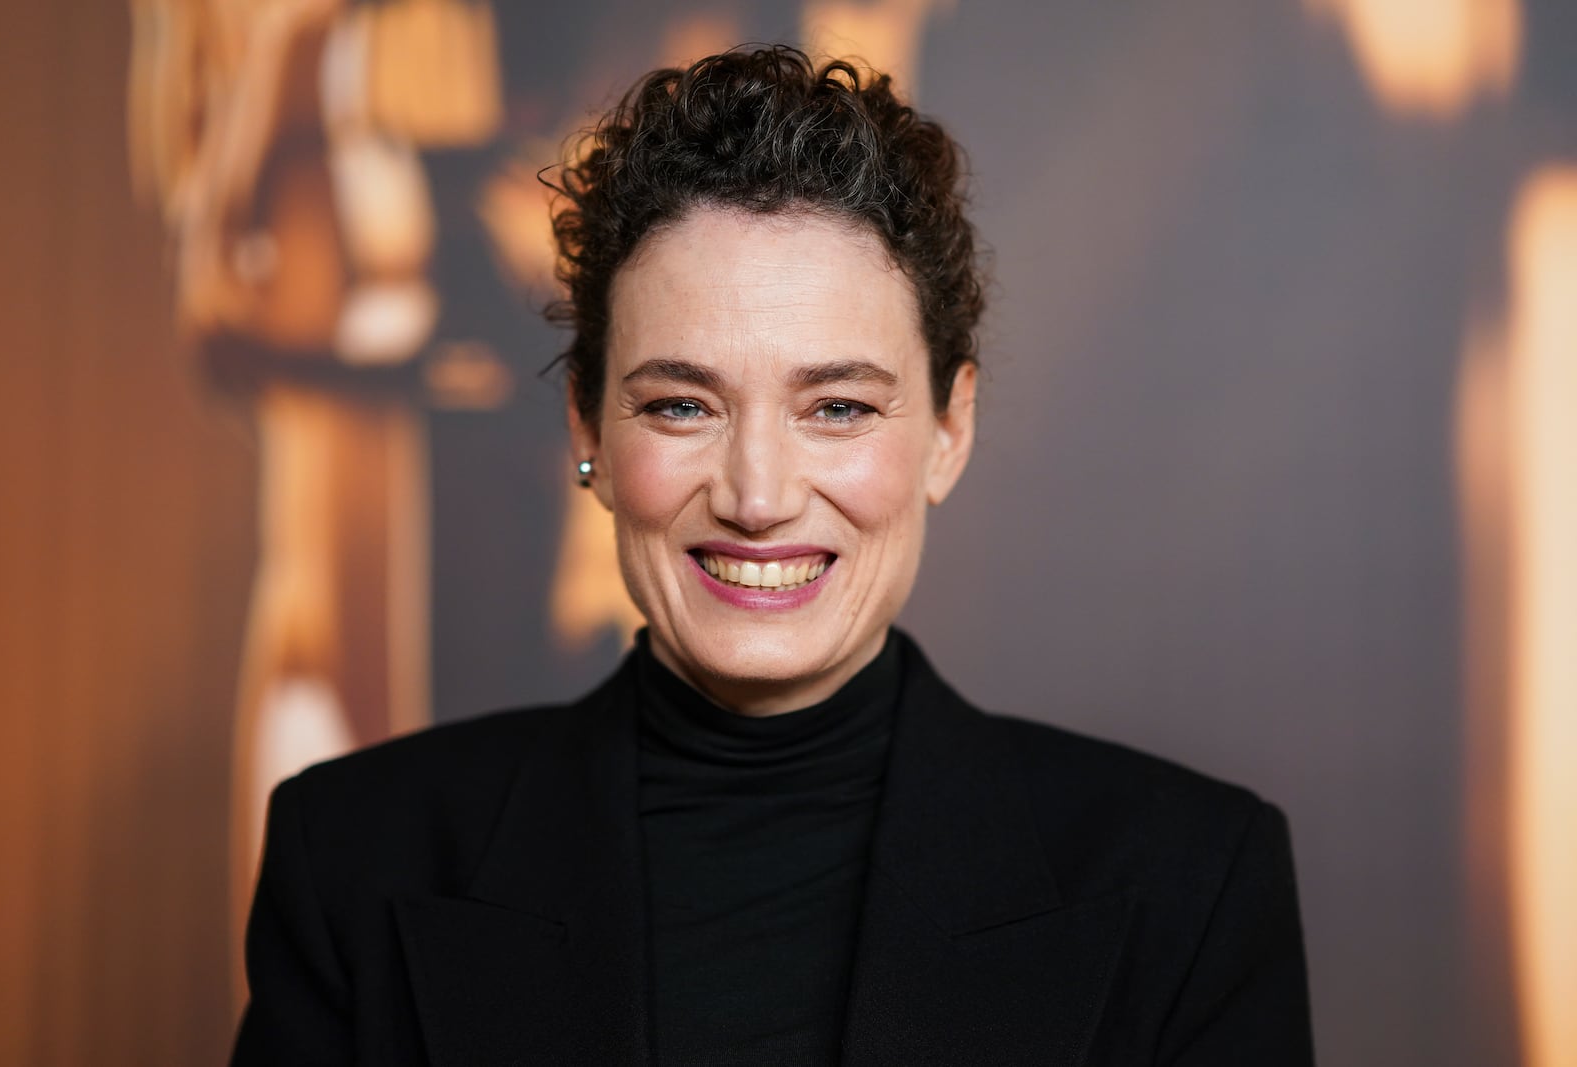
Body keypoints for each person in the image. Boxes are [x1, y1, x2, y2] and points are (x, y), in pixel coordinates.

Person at [230, 45, 1315, 1065]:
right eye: (682, 404)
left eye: (836, 406)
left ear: (949, 430)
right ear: (587, 432)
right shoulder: (355, 858)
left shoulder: (1190, 882)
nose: (757, 495)